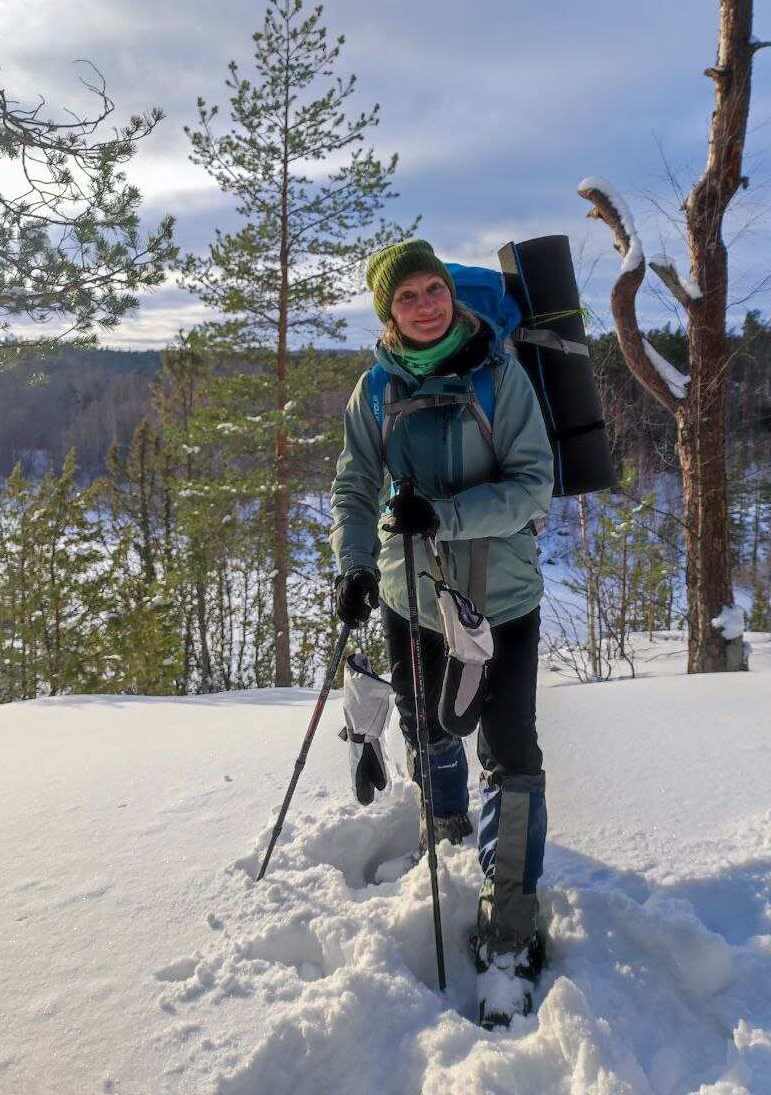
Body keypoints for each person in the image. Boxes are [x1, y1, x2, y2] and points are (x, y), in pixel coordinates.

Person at [329, 238, 554, 1023]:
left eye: (433, 290)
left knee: (511, 748)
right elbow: (356, 484)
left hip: (502, 599)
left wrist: (448, 516)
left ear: (450, 294)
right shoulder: (376, 390)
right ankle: (449, 826)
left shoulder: (500, 376)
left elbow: (534, 485)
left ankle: (511, 919)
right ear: (387, 312)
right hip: (409, 596)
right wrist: (355, 565)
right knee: (428, 727)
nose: (425, 305)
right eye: (407, 298)